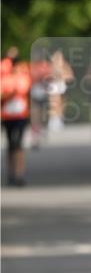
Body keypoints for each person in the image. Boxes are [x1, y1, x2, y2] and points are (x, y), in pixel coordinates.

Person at [1, 47, 32, 186]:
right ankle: (11, 173)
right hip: (7, 116)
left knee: (18, 144)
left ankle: (19, 174)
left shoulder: (23, 76)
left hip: (21, 115)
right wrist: (8, 94)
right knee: (10, 145)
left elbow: (25, 91)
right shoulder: (4, 78)